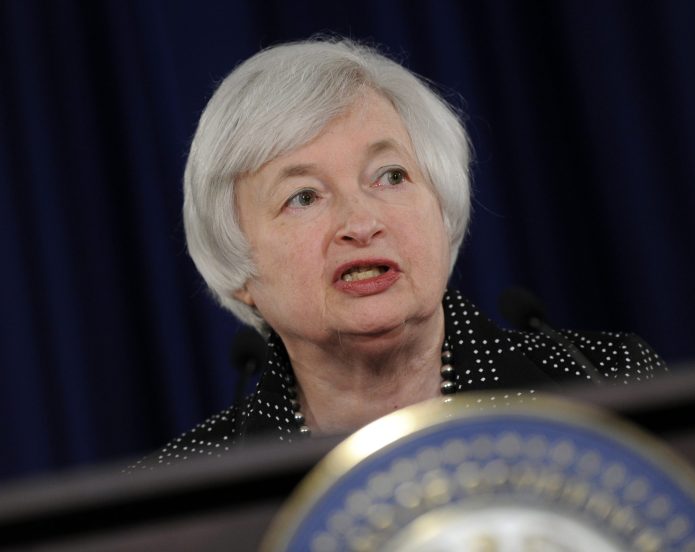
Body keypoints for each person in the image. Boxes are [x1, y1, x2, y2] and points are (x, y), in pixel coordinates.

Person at [131, 38, 664, 469]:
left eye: (390, 176)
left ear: (442, 205)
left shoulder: (603, 382)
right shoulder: (186, 487)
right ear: (237, 263)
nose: (361, 224)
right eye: (304, 197)